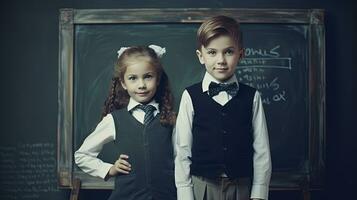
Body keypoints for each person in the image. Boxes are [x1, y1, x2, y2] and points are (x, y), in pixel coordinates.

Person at [174, 16, 272, 200]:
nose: (221, 60)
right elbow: (182, 149)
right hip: (201, 186)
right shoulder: (190, 96)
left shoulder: (252, 96)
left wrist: (259, 192)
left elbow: (262, 149)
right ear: (200, 56)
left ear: (241, 54)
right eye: (212, 52)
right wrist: (185, 193)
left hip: (241, 186)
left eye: (228, 52)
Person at [75, 45, 177, 200]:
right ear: (123, 83)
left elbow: (182, 159)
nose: (141, 85)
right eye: (133, 78)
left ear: (158, 79)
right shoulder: (114, 120)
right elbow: (82, 155)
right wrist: (109, 169)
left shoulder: (171, 119)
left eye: (148, 76)